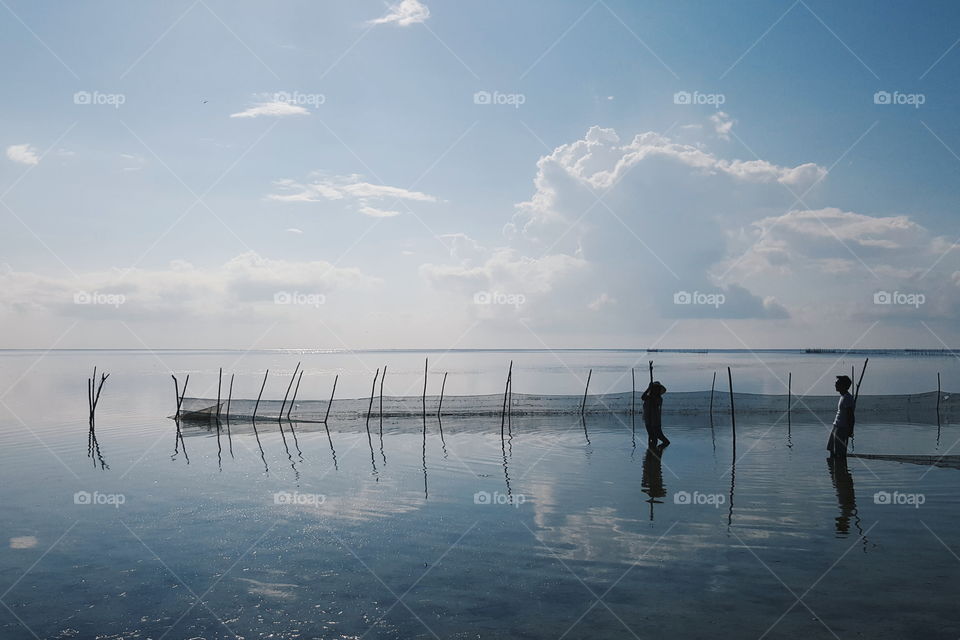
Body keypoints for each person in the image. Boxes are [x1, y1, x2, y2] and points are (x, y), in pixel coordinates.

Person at [827, 375, 855, 457]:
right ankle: (834, 468)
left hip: (842, 428)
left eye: (837, 383)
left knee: (839, 452)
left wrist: (850, 430)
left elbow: (851, 416)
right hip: (836, 426)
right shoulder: (842, 396)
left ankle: (841, 468)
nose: (835, 385)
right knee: (832, 450)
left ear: (843, 385)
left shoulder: (847, 398)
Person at [641, 380, 670, 446]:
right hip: (648, 420)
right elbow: (642, 397)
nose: (655, 390)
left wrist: (652, 394)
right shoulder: (647, 397)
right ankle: (652, 452)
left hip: (655, 421)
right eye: (654, 388)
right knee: (651, 436)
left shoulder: (659, 398)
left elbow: (655, 403)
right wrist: (648, 388)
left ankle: (659, 450)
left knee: (659, 436)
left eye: (657, 388)